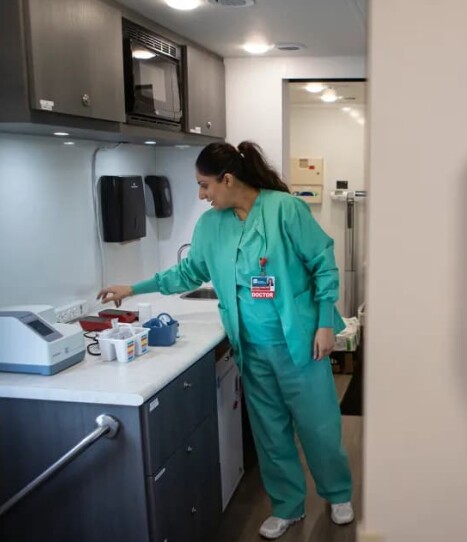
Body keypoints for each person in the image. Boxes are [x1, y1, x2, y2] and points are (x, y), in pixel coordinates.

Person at [97, 141, 354, 540]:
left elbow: (323, 264)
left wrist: (324, 324)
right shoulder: (211, 226)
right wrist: (133, 287)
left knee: (318, 426)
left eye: (205, 185)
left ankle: (337, 494)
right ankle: (287, 506)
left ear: (228, 179)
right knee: (270, 433)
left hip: (300, 343)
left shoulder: (285, 210)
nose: (202, 195)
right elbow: (188, 273)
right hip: (251, 348)